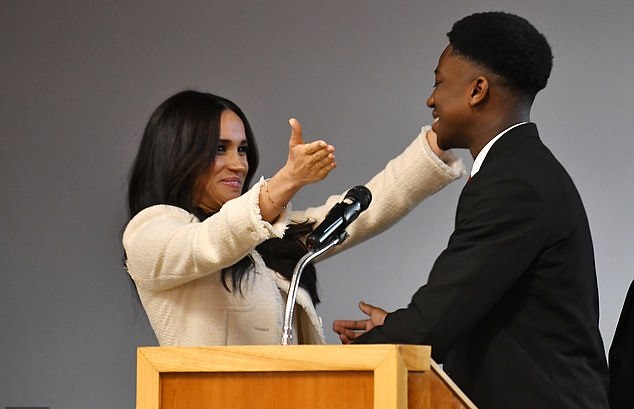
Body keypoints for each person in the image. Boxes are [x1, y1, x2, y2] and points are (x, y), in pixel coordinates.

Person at [333, 12, 609, 409]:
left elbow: (433, 324)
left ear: (477, 90)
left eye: (439, 83)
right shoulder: (520, 168)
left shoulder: (513, 181)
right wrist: (395, 327)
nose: (431, 100)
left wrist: (330, 367)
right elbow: (472, 307)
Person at [123, 90, 464, 346]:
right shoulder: (149, 232)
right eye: (219, 149)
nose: (238, 164)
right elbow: (207, 243)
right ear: (178, 153)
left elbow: (360, 213)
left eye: (242, 149)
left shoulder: (262, 237)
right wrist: (287, 181)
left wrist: (439, 141)